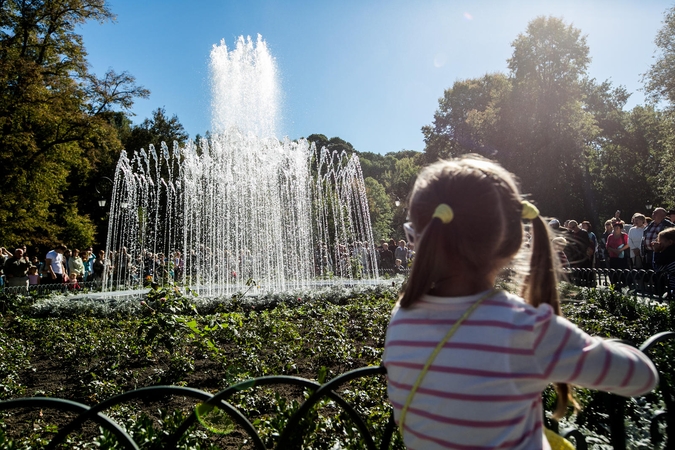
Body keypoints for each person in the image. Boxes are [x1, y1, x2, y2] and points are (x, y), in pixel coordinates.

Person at [382, 156, 658, 450]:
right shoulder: (526, 328)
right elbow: (642, 377)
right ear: (513, 241)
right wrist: (575, 340)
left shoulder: (401, 316)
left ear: (417, 241)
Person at [653, 227, 675, 297]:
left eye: (661, 243)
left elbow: (658, 268)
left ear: (670, 242)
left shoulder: (669, 254)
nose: (659, 244)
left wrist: (656, 251)